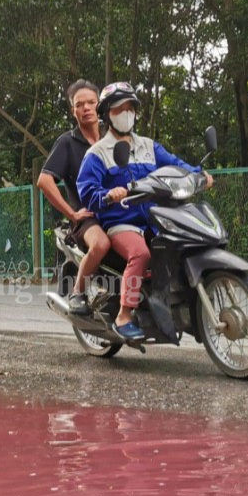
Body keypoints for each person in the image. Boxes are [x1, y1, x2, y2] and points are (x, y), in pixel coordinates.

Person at [77, 82, 213, 341]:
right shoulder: (98, 153)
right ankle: (124, 316)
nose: (126, 114)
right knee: (140, 253)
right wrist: (108, 195)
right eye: (119, 109)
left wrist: (199, 174)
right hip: (121, 220)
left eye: (130, 108)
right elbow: (87, 192)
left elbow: (175, 164)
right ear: (107, 115)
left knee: (182, 243)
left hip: (154, 218)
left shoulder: (149, 146)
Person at [38, 80, 112, 314]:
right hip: (87, 217)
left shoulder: (113, 138)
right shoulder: (67, 142)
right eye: (79, 105)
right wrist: (72, 213)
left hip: (117, 211)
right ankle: (77, 292)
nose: (86, 108)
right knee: (101, 244)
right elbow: (44, 180)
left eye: (91, 102)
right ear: (73, 111)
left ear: (100, 106)